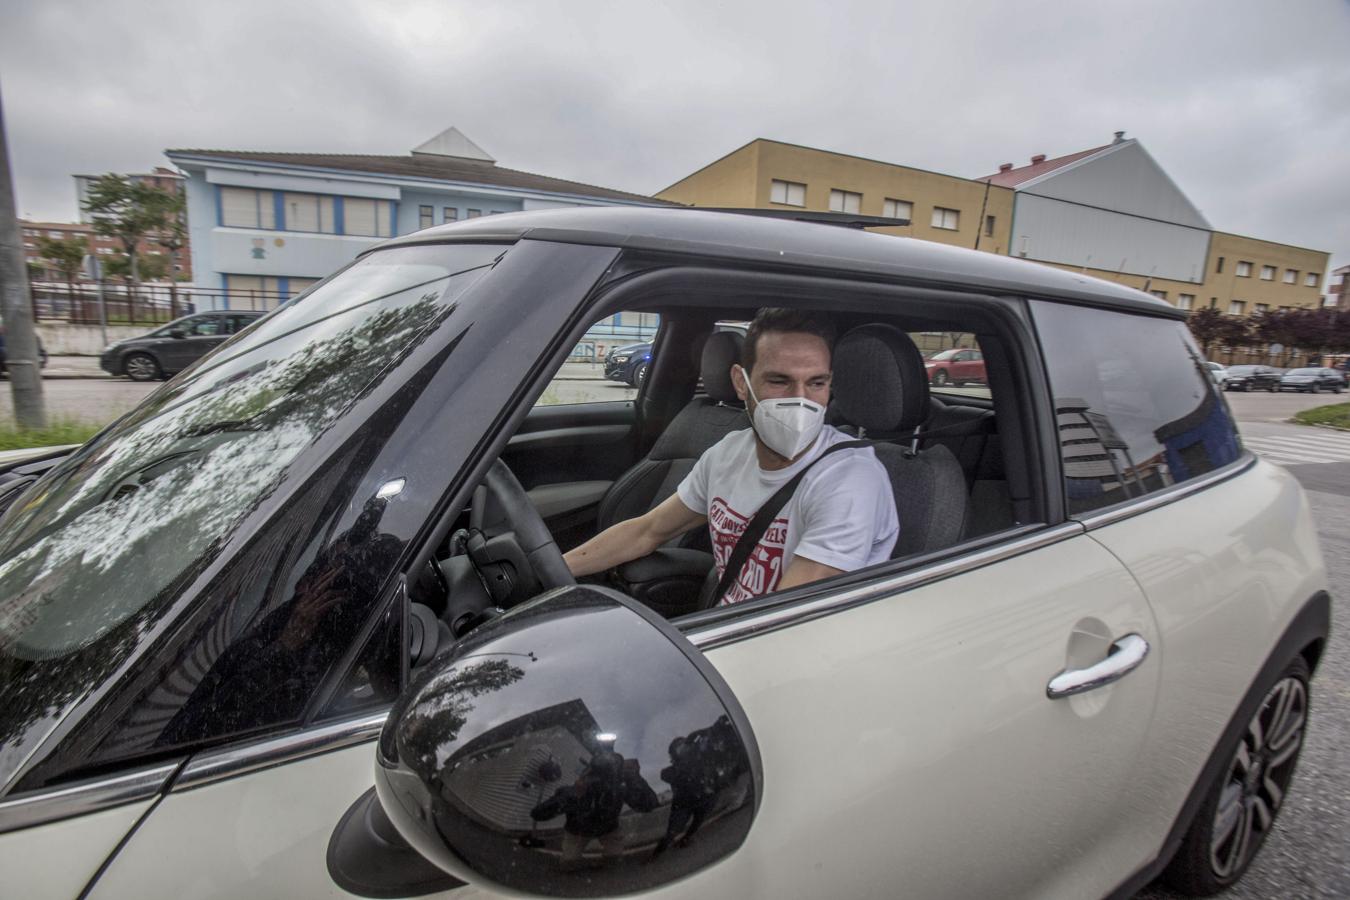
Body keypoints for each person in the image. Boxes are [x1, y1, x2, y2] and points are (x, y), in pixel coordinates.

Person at [564, 308, 898, 605]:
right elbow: (648, 531)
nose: (800, 401)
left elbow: (787, 616)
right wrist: (553, 572)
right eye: (779, 381)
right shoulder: (729, 452)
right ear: (741, 382)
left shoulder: (851, 480)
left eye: (816, 383)